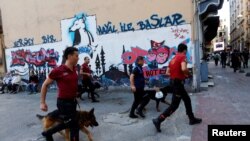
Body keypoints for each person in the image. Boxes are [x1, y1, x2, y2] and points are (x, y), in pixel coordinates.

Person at [152, 43, 202, 132]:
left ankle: (191, 118)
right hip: (177, 84)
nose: (186, 53)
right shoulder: (182, 56)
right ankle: (158, 120)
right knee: (174, 106)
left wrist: (177, 75)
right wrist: (188, 74)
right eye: (185, 51)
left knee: (187, 99)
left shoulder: (172, 59)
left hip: (174, 82)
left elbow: (167, 72)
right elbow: (183, 69)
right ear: (184, 50)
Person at [40, 47, 80, 141]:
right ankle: (48, 133)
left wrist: (75, 94)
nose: (78, 58)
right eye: (76, 56)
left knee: (68, 123)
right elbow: (45, 85)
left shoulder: (74, 69)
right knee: (74, 125)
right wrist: (42, 102)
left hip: (72, 102)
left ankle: (48, 133)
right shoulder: (58, 70)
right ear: (69, 56)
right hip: (64, 103)